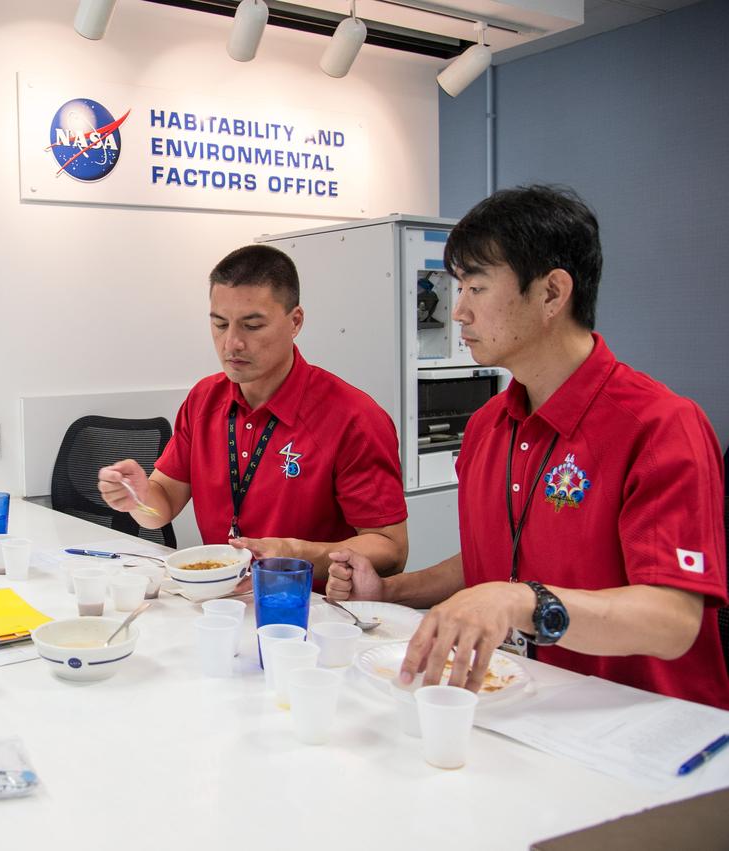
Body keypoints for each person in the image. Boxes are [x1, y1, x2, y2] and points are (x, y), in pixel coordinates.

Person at [326, 185, 729, 709]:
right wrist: (388, 592)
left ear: (551, 293)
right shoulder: (490, 425)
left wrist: (521, 601)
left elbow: (673, 622)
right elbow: (492, 564)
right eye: (458, 287)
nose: (458, 312)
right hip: (524, 706)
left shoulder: (659, 426)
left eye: (476, 286)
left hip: (643, 729)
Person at [98, 244, 409, 586]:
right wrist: (140, 497)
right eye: (219, 324)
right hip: (222, 603)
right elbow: (164, 503)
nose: (232, 343)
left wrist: (297, 554)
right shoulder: (204, 399)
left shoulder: (353, 417)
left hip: (312, 609)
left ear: (295, 322)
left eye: (252, 326)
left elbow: (391, 549)